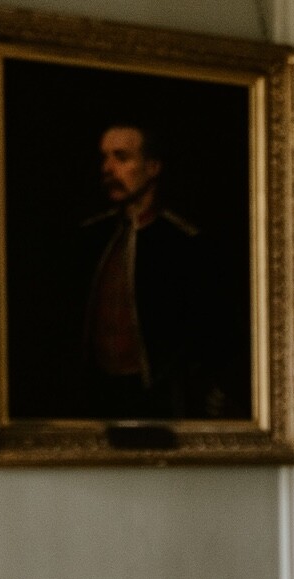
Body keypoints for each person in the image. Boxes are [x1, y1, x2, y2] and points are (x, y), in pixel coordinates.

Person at [73, 122, 219, 420]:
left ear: (152, 167)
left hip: (158, 398)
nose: (108, 168)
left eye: (121, 158)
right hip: (97, 395)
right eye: (105, 158)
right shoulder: (91, 237)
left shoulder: (183, 243)